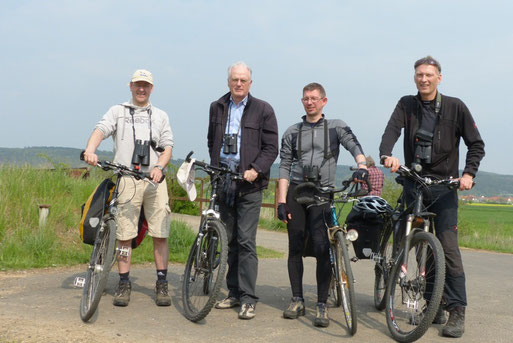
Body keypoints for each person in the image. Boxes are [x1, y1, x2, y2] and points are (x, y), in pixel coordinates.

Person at [379, 56, 485, 338]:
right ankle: (432, 304)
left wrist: (468, 174)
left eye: (428, 74)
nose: (423, 79)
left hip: (445, 187)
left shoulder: (455, 106)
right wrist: (387, 154)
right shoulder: (407, 104)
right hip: (414, 184)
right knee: (414, 245)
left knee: (448, 250)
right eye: (419, 74)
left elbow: (476, 145)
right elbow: (391, 130)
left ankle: (457, 310)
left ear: (439, 77)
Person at [277, 82, 368, 327]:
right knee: (295, 245)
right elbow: (284, 167)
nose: (310, 102)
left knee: (320, 247)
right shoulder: (292, 132)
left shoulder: (336, 127)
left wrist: (361, 166)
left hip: (322, 192)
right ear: (302, 101)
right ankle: (297, 299)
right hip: (297, 191)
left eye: (315, 98)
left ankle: (321, 303)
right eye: (306, 98)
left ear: (324, 101)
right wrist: (281, 201)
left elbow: (354, 146)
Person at [83, 69, 174, 307]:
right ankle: (124, 282)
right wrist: (90, 150)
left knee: (160, 232)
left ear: (152, 88)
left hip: (154, 180)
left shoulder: (161, 115)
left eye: (146, 85)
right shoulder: (118, 111)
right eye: (137, 85)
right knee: (124, 234)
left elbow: (167, 148)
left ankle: (162, 283)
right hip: (127, 178)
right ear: (130, 86)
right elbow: (100, 130)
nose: (141, 89)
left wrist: (160, 168)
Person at [207, 61, 279, 320]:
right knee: (230, 241)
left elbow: (272, 148)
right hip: (224, 182)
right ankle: (234, 293)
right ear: (228, 81)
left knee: (246, 241)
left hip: (249, 185)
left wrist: (255, 169)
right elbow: (211, 140)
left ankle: (249, 297)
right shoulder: (217, 107)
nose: (238, 84)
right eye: (235, 79)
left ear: (250, 83)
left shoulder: (263, 109)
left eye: (243, 80)